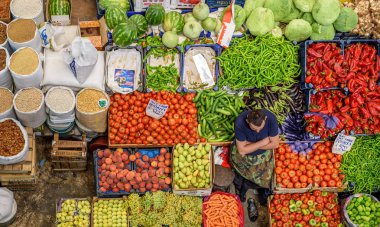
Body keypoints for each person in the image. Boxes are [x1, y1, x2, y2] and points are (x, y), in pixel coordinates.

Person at [230, 109, 279, 221]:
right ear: (248, 121)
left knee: (267, 178)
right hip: (243, 157)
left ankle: (259, 197)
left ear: (265, 119)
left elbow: (275, 144)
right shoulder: (240, 122)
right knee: (241, 173)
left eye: (260, 129)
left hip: (263, 155)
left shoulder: (270, 118)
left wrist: (249, 145)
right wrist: (263, 142)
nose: (257, 132)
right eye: (254, 129)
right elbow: (242, 151)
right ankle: (241, 192)